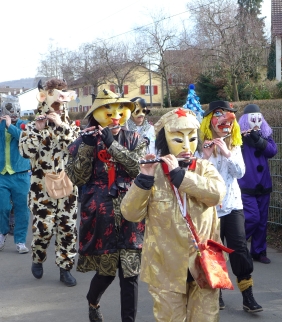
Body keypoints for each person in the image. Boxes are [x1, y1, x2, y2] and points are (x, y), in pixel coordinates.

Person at [120, 107, 226, 322]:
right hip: (165, 265)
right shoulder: (153, 173)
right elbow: (130, 213)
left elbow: (216, 194)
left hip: (204, 262)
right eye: (178, 139)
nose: (187, 146)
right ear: (164, 141)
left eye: (192, 138)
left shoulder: (204, 168)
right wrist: (143, 181)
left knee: (206, 317)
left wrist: (182, 177)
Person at [65, 89, 147, 322]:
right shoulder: (83, 140)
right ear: (96, 114)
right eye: (109, 111)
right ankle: (93, 301)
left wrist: (111, 143)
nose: (116, 116)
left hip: (131, 210)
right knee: (106, 272)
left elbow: (137, 169)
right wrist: (87, 147)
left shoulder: (135, 139)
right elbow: (77, 178)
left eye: (121, 111)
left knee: (130, 275)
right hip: (101, 212)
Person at [198, 100, 263, 313]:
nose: (224, 120)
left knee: (239, 250)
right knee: (213, 251)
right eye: (219, 115)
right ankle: (217, 293)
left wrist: (226, 153)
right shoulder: (200, 147)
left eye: (228, 115)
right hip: (210, 209)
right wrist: (205, 157)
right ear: (210, 121)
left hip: (233, 206)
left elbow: (240, 173)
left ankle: (248, 295)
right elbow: (196, 178)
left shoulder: (234, 145)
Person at [19, 78, 80, 286]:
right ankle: (38, 257)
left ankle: (65, 268)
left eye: (61, 102)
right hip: (41, 187)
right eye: (55, 101)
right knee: (43, 229)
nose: (58, 106)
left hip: (67, 187)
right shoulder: (32, 126)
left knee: (68, 229)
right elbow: (26, 152)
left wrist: (61, 126)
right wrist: (38, 130)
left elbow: (76, 149)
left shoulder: (70, 125)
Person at [237, 104, 278, 264]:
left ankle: (259, 251)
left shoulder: (265, 135)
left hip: (263, 184)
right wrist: (242, 137)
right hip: (246, 185)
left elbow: (272, 151)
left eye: (259, 119)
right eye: (253, 119)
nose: (256, 122)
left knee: (262, 220)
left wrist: (259, 140)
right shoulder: (240, 138)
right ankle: (237, 246)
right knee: (253, 217)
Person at [0, 99, 31, 254]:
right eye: (7, 112)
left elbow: (24, 139)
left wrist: (9, 126)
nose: (11, 115)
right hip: (2, 175)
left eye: (13, 112)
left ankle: (20, 241)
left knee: (21, 209)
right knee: (3, 207)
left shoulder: (24, 125)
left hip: (21, 174)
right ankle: (2, 232)